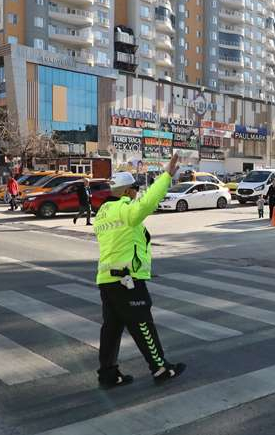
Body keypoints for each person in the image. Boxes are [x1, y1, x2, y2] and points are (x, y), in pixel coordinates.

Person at [93, 153, 185, 389]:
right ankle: (160, 368)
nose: (136, 193)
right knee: (142, 323)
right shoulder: (124, 210)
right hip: (126, 280)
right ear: (126, 191)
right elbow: (148, 203)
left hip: (107, 280)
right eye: (134, 188)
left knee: (111, 329)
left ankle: (108, 375)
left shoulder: (102, 214)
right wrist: (166, 176)